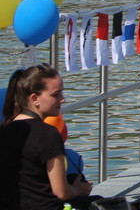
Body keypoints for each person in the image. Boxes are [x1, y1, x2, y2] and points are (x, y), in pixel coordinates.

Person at [0, 64, 93, 209]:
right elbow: (61, 192)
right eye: (56, 95)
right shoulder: (48, 134)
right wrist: (78, 190)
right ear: (35, 98)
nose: (62, 100)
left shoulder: (4, 130)